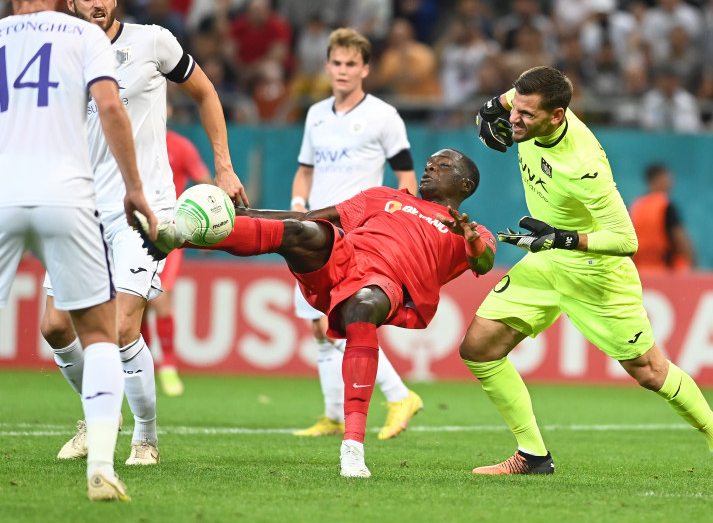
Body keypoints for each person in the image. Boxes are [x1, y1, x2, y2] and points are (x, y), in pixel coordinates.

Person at [466, 66, 713, 480]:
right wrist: (491, 107)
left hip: (595, 273)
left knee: (649, 371)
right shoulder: (529, 106)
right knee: (479, 348)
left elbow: (626, 240)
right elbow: (515, 95)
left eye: (527, 115)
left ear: (557, 116)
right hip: (546, 261)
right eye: (517, 110)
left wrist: (563, 238)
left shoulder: (585, 167)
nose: (515, 120)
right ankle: (532, 455)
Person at [135, 149, 496, 478]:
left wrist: (472, 239)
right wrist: (240, 215)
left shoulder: (472, 232)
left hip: (389, 285)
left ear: (465, 185)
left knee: (362, 308)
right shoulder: (384, 196)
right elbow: (307, 216)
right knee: (299, 231)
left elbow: (484, 260)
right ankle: (176, 235)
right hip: (344, 258)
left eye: (443, 165)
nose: (430, 166)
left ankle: (352, 448)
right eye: (430, 162)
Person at [40, 0, 248, 468]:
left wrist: (223, 166)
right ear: (69, 0)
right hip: (78, 209)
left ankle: (146, 438)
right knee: (54, 328)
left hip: (143, 208)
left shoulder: (153, 42)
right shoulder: (56, 55)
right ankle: (93, 416)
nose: (97, 5)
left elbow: (204, 92)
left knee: (122, 326)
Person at [0, 0, 159, 501]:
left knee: (74, 328)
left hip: (2, 193)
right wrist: (135, 188)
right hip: (70, 196)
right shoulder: (85, 37)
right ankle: (100, 464)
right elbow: (111, 107)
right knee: (98, 335)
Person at [290, 27, 423, 440]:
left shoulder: (383, 116)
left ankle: (400, 395)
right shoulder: (316, 115)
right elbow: (305, 170)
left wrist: (399, 223)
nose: (343, 71)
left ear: (365, 68)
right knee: (318, 324)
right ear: (327, 66)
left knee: (347, 321)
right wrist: (298, 204)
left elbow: (405, 175)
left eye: (351, 64)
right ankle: (332, 415)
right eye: (337, 63)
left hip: (357, 233)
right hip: (315, 229)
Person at [140, 124, 212, 396]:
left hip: (168, 235)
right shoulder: (133, 140)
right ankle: (143, 366)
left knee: (160, 297)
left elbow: (205, 182)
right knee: (136, 304)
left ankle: (168, 366)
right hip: (131, 231)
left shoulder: (180, 146)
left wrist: (209, 229)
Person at [629, 163, 695, 272]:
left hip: (640, 270)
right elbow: (680, 237)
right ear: (656, 179)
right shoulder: (665, 205)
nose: (671, 181)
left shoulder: (636, 206)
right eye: (667, 177)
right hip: (666, 271)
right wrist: (693, 264)